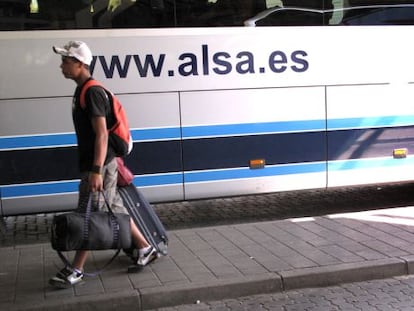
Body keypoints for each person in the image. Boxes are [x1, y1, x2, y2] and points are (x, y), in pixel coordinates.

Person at [49, 40, 158, 289]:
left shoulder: (93, 92)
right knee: (111, 211)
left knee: (89, 214)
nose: (61, 66)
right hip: (99, 163)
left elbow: (102, 134)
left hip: (100, 165)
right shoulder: (83, 90)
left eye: (65, 61)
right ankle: (145, 247)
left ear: (79, 64)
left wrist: (96, 170)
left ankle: (76, 268)